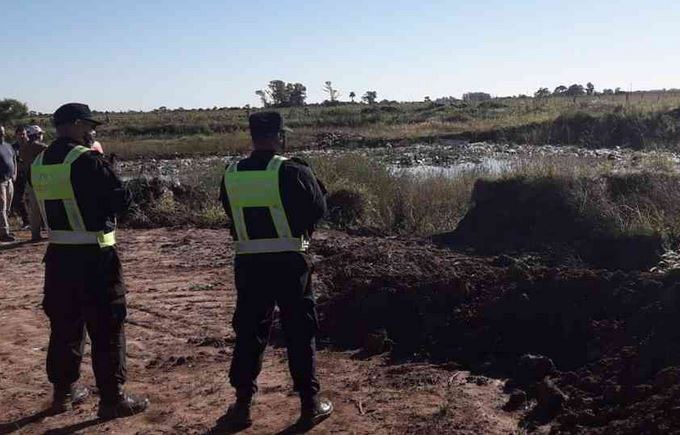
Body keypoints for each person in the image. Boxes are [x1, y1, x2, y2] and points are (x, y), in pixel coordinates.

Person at [29, 103, 149, 419]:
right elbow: (120, 200)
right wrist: (104, 161)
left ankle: (64, 393)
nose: (93, 131)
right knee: (107, 326)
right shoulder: (87, 160)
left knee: (64, 325)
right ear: (79, 124)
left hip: (57, 258)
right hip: (95, 258)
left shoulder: (40, 161)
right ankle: (112, 399)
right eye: (90, 126)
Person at [218, 111, 332, 430]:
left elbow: (229, 209)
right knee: (299, 328)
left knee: (249, 330)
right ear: (280, 136)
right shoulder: (292, 170)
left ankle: (242, 403)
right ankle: (309, 404)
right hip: (289, 263)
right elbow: (317, 208)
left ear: (252, 137)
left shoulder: (232, 173)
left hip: (249, 264)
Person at [20, 125, 47, 241]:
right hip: (44, 179)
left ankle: (35, 234)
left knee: (34, 209)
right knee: (47, 208)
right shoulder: (42, 147)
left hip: (30, 179)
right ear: (37, 135)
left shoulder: (23, 147)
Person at [0, 126, 17, 242]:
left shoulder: (8, 146)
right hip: (0, 181)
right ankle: (4, 232)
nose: (1, 134)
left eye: (2, 132)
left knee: (8, 207)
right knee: (2, 206)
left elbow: (14, 159)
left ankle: (5, 228)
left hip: (10, 180)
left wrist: (14, 174)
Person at [10, 126, 29, 227]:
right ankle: (26, 221)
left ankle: (42, 223)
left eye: (24, 134)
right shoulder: (13, 148)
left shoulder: (31, 145)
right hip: (19, 175)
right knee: (19, 199)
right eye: (20, 134)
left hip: (32, 174)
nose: (22, 136)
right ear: (16, 135)